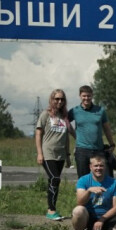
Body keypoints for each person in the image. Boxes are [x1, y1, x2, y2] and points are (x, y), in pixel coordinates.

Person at [35, 89, 71, 221]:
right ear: (52, 99)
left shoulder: (64, 117)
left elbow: (66, 136)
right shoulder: (45, 114)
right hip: (48, 152)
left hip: (60, 154)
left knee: (53, 181)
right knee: (55, 178)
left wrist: (67, 155)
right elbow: (38, 133)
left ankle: (51, 209)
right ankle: (51, 209)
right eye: (57, 99)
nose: (59, 101)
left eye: (62, 99)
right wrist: (39, 153)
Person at [67, 85, 116, 178]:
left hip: (98, 149)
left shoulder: (100, 110)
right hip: (82, 150)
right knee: (83, 179)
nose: (86, 98)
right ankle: (84, 193)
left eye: (88, 96)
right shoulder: (74, 111)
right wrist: (74, 134)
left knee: (101, 178)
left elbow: (107, 128)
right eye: (84, 96)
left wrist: (112, 144)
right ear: (80, 96)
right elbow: (65, 123)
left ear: (92, 96)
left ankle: (100, 193)